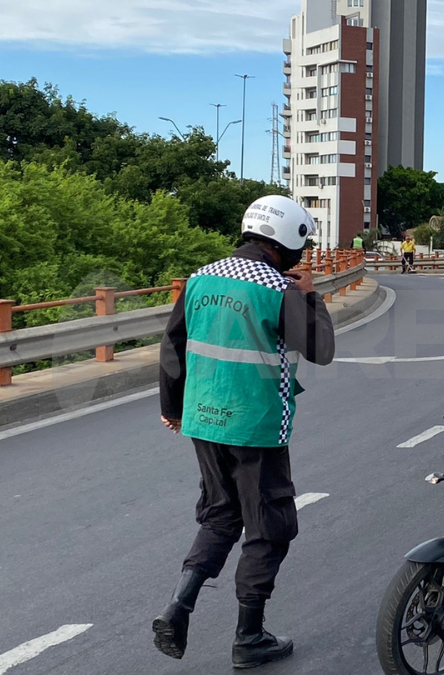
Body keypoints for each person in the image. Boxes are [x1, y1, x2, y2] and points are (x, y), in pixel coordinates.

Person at [153, 194, 336, 668]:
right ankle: (248, 637)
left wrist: (173, 409)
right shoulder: (277, 288)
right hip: (254, 426)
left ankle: (179, 605)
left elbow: (173, 348)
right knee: (271, 525)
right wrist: (309, 294)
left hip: (202, 420)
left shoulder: (200, 278)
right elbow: (320, 348)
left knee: (220, 514)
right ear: (287, 242)